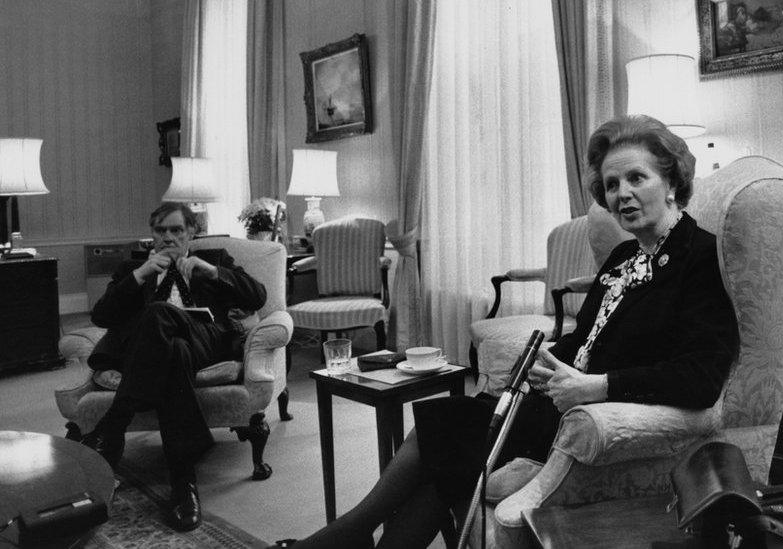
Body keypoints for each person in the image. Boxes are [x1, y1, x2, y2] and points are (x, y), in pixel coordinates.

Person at [276, 115, 739, 548]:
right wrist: (546, 359)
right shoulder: (623, 258)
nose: (621, 194)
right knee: (444, 445)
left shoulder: (700, 257)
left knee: (441, 439)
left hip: (593, 419)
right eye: (612, 184)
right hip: (550, 403)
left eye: (637, 178)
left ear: (673, 182)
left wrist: (595, 386)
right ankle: (350, 536)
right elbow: (588, 336)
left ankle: (345, 535)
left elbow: (700, 377)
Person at [82, 202, 267, 531]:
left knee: (159, 316)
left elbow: (257, 296)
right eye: (161, 231)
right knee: (172, 349)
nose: (168, 237)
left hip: (205, 340)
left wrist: (210, 272)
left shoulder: (215, 259)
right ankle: (184, 484)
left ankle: (112, 428)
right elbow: (101, 316)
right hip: (161, 350)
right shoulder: (132, 269)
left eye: (176, 230)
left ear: (191, 232)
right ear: (152, 234)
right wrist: (142, 274)